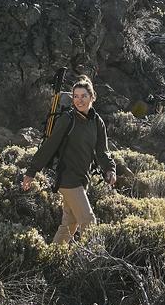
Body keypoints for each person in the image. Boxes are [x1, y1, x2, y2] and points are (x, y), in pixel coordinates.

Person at [23, 75, 117, 244]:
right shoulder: (67, 119)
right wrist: (32, 171)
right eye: (76, 96)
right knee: (88, 221)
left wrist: (110, 169)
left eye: (83, 96)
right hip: (67, 178)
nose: (79, 100)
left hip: (83, 178)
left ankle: (53, 255)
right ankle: (93, 257)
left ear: (92, 97)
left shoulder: (97, 122)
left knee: (69, 224)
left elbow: (102, 151)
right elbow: (49, 146)